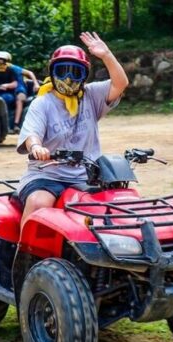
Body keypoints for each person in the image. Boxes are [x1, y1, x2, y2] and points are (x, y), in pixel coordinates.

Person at [16, 31, 129, 226]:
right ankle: (25, 254)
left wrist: (106, 55)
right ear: (52, 72)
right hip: (47, 175)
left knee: (119, 204)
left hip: (88, 176)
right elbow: (32, 133)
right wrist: (36, 147)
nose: (68, 78)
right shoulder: (42, 103)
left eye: (75, 72)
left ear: (85, 76)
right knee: (39, 203)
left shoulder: (91, 96)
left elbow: (121, 84)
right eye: (63, 71)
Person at [6, 54, 41, 133]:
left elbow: (30, 73)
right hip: (6, 92)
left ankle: (16, 124)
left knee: (20, 98)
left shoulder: (14, 68)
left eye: (3, 61)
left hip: (19, 89)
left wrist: (35, 83)